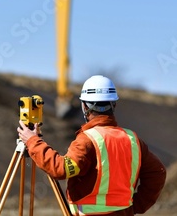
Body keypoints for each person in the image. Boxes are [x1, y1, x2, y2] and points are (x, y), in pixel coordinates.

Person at [17, 75, 166, 216]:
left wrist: (33, 141)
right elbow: (157, 172)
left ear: (84, 106)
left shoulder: (88, 140)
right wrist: (135, 206)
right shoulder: (132, 139)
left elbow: (60, 169)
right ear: (113, 104)